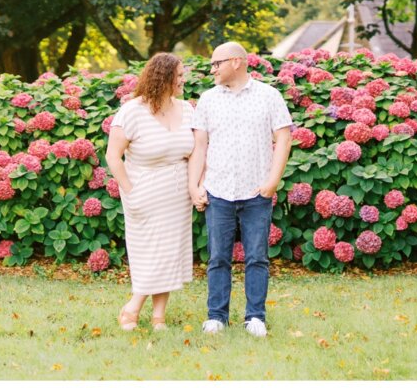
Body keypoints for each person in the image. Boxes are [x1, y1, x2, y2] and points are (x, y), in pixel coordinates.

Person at [188, 41, 293, 337]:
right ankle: (216, 316)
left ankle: (255, 316)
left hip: (256, 191)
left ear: (236, 62)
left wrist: (272, 181)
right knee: (218, 257)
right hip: (218, 191)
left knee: (257, 257)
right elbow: (199, 146)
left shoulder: (268, 96)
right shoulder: (208, 100)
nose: (213, 69)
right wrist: (194, 185)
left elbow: (283, 139)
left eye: (216, 63)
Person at [105, 52, 196, 331]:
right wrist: (130, 192)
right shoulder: (133, 111)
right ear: (163, 77)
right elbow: (113, 156)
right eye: (179, 75)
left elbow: (195, 153)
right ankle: (133, 306)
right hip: (143, 192)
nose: (183, 80)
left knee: (169, 252)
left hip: (178, 194)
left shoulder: (187, 109)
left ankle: (159, 317)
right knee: (150, 252)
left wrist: (194, 186)